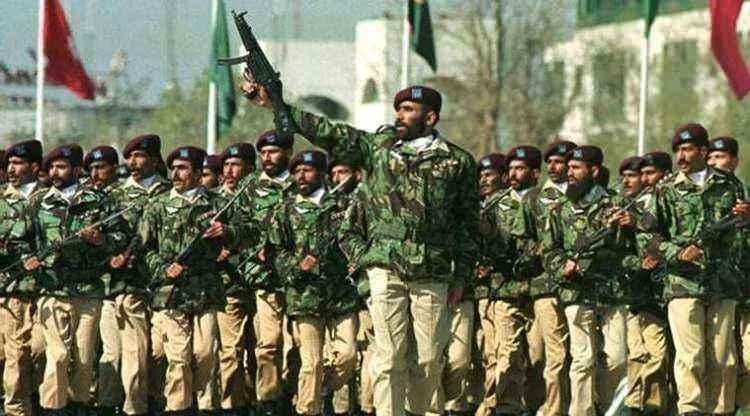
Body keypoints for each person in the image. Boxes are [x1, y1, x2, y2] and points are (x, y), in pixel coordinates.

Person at [242, 80, 479, 416]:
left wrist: (462, 275)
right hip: (384, 268)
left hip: (432, 270)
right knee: (389, 357)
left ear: (430, 118)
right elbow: (327, 131)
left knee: (428, 359)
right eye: (398, 109)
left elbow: (467, 223)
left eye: (408, 110)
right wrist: (275, 104)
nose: (400, 115)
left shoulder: (458, 162)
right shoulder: (378, 149)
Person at [641, 124, 747, 415]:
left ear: (703, 151)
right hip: (682, 283)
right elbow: (647, 236)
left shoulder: (730, 185)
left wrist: (746, 218)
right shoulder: (665, 189)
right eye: (678, 150)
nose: (681, 157)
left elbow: (740, 232)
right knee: (690, 357)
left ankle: (720, 411)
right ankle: (690, 410)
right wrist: (677, 253)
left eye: (687, 150)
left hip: (723, 282)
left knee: (723, 359)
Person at [25, 144, 122, 415]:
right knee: (57, 355)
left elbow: (120, 238)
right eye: (52, 167)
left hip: (88, 290)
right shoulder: (38, 201)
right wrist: (29, 260)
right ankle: (52, 409)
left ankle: (78, 406)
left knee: (83, 358)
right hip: (53, 288)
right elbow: (25, 240)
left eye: (62, 167)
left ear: (77, 170)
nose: (54, 172)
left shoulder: (99, 200)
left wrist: (101, 239)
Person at [141, 146, 235, 415]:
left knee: (205, 355)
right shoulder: (157, 206)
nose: (175, 174)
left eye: (182, 169)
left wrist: (227, 232)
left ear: (196, 173)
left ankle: (203, 404)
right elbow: (144, 248)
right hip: (171, 293)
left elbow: (250, 232)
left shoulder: (217, 204)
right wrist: (162, 268)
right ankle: (177, 408)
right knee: (179, 359)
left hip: (206, 290)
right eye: (173, 169)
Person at [266, 150, 359, 416]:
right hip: (304, 295)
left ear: (321, 173)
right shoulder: (284, 209)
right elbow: (275, 251)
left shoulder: (344, 206)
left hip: (341, 294)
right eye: (296, 171)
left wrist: (355, 261)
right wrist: (297, 266)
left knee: (348, 355)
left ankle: (325, 389)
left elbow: (360, 239)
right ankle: (307, 409)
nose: (300, 176)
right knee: (312, 363)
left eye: (306, 171)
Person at [541, 145, 630, 416]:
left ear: (593, 171)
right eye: (568, 167)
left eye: (576, 168)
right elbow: (549, 250)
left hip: (612, 291)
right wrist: (563, 266)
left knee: (617, 359)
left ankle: (604, 408)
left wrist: (627, 227)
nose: (569, 172)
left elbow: (632, 247)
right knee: (583, 359)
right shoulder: (559, 208)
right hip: (576, 291)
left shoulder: (616, 204)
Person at [237, 130, 295, 416]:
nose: (267, 158)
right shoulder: (250, 187)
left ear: (288, 153)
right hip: (265, 278)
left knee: (298, 344)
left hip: (299, 280)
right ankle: (268, 399)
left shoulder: (302, 183)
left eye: (273, 152)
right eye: (263, 153)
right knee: (269, 342)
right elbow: (239, 228)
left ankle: (294, 396)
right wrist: (255, 248)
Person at [524, 139, 576, 416]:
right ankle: (552, 409)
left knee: (580, 354)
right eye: (550, 163)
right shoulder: (534, 198)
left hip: (578, 286)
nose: (554, 167)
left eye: (560, 162)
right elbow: (521, 239)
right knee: (551, 354)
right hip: (545, 285)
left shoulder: (583, 196)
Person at [621, 152, 672, 415]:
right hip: (640, 292)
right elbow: (619, 253)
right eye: (640, 174)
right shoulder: (628, 209)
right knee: (641, 354)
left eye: (649, 173)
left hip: (671, 288)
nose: (644, 179)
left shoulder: (669, 203)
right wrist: (638, 264)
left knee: (663, 356)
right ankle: (640, 406)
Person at [0, 140, 45, 416]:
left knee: (41, 351)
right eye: (9, 164)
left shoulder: (50, 199)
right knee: (16, 354)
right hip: (13, 288)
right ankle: (16, 409)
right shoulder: (2, 201)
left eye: (17, 163)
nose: (11, 169)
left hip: (51, 288)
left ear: (35, 166)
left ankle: (37, 401)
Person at [216, 142, 257, 415]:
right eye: (226, 165)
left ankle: (258, 401)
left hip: (262, 284)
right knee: (230, 351)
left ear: (250, 168)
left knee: (263, 349)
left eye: (236, 165)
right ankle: (231, 405)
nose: (229, 171)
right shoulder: (213, 202)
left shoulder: (262, 200)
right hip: (228, 285)